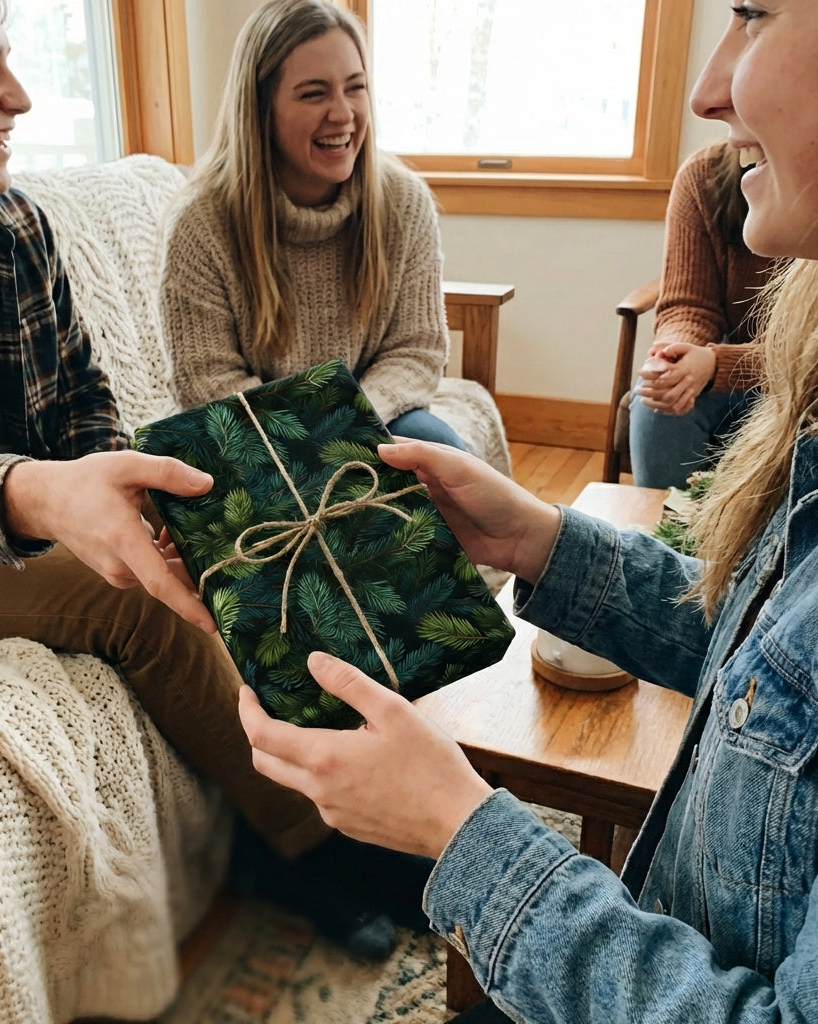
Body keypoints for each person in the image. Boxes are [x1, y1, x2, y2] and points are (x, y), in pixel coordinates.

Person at [0, 0, 430, 962]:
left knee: (256, 517)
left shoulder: (9, 227)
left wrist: (124, 490)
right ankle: (313, 847)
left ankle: (387, 771)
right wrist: (44, 497)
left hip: (48, 515)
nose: (20, 96)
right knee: (137, 598)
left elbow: (83, 404)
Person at [238, 2, 818, 1019]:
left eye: (753, 16)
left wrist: (464, 832)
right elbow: (771, 668)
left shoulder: (399, 201)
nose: (706, 86)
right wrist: (537, 538)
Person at [160, 0, 468, 450]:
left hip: (374, 418)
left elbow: (416, 350)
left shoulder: (404, 202)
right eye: (314, 93)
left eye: (355, 87)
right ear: (261, 109)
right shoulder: (200, 224)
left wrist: (347, 423)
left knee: (437, 448)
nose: (343, 114)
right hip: (255, 436)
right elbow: (205, 379)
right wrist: (307, 435)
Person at [629, 139, 776, 489]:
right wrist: (674, 356)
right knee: (660, 398)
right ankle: (668, 538)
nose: (702, 102)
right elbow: (690, 305)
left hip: (797, 382)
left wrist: (715, 364)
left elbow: (807, 357)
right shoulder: (704, 175)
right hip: (732, 374)